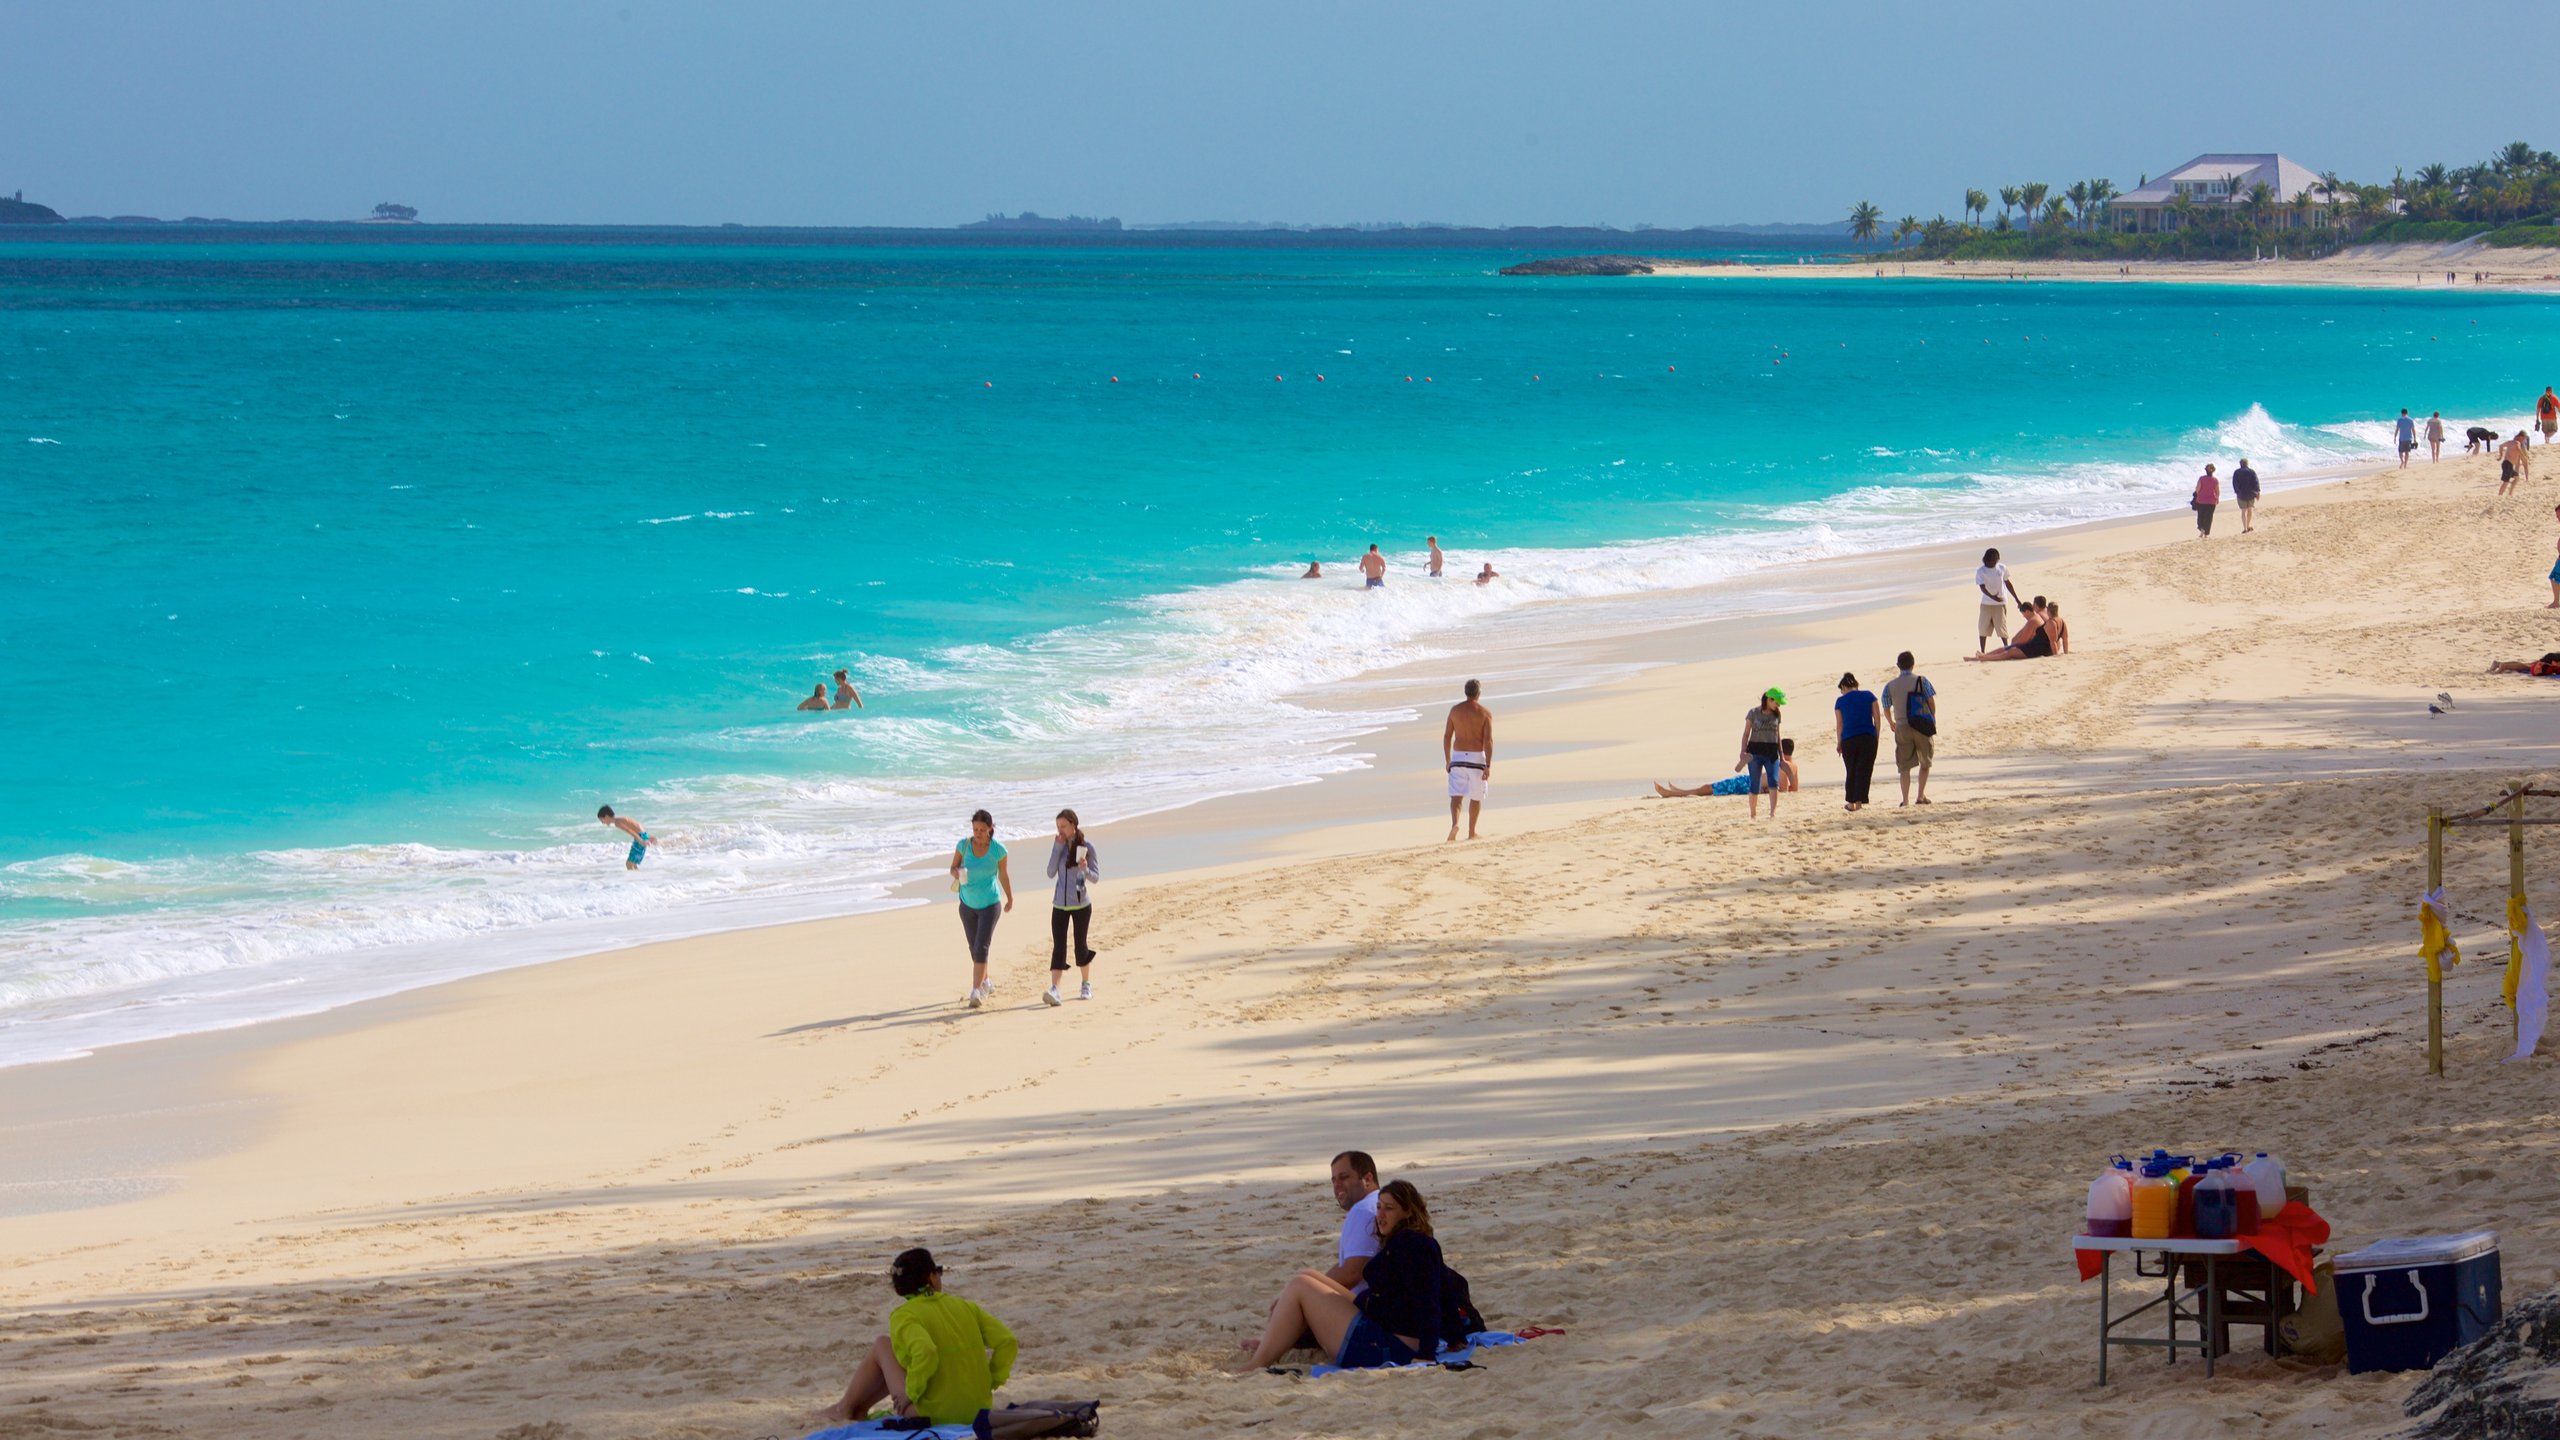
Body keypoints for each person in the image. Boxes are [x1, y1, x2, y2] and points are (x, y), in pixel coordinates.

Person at [1239, 1179, 1444, 1371]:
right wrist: (1456, 1337)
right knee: (1306, 1275)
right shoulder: (1404, 1242)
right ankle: (1275, 1342)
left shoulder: (1412, 1245)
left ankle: (1257, 1363)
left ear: (1408, 1212)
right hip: (1381, 1329)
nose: (1380, 1215)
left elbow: (1428, 1300)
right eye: (1379, 1207)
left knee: (1300, 1285)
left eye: (1389, 1209)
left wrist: (1426, 1354)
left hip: (1388, 1347)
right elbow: (1444, 1287)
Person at [817, 1248, 1017, 1427]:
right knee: (903, 1354)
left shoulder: (905, 1315)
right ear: (931, 1277)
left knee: (882, 1345)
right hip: (977, 1410)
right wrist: (993, 1378)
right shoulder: (966, 1307)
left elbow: (926, 1351)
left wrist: (910, 1392)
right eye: (938, 1271)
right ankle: (857, 1409)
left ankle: (844, 1408)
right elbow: (1007, 1341)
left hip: (932, 1416)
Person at [949, 809, 1013, 1009]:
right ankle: (986, 982)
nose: (978, 833)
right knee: (973, 947)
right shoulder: (964, 845)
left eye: (982, 830)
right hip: (967, 905)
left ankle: (976, 991)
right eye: (975, 829)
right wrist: (958, 873)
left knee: (981, 946)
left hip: (990, 904)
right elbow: (952, 868)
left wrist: (1010, 897)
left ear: (990, 829)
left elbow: (1003, 875)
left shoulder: (998, 850)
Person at [1043, 808, 1098, 1005]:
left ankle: (1086, 984)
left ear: (1073, 825)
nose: (1060, 830)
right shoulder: (1059, 846)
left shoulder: (1087, 846)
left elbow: (1096, 877)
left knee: (1080, 947)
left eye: (1063, 826)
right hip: (1059, 905)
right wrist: (1057, 848)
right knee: (1058, 947)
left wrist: (1085, 869)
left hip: (1081, 904)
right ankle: (1055, 989)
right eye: (1058, 827)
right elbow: (1050, 872)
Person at [1881, 652, 1936, 807]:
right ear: (1913, 664)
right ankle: (1920, 796)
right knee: (1925, 761)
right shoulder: (1921, 681)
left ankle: (1905, 800)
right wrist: (1931, 718)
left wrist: (1891, 721)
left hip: (1902, 726)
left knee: (1904, 766)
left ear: (1898, 666)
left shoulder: (1890, 686)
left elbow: (1885, 707)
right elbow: (1931, 701)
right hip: (1921, 725)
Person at [1654, 738, 1796, 798]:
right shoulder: (1794, 766)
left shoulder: (1784, 765)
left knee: (1708, 789)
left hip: (1747, 783)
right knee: (1708, 788)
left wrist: (1764, 790)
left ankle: (1673, 794)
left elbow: (1782, 790)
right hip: (1749, 782)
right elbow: (1793, 789)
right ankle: (1679, 792)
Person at [1443, 679, 1493, 842]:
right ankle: (1471, 832)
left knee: (1456, 796)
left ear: (1465, 692)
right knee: (1476, 796)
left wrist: (1448, 759)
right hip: (1476, 758)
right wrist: (1488, 766)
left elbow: (1447, 736)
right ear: (1479, 693)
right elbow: (1488, 741)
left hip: (1457, 757)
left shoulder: (1455, 711)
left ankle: (1455, 824)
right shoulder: (1484, 713)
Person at [1734, 688, 1786, 818]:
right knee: (1754, 783)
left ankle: (1772, 813)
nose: (1778, 706)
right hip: (1754, 753)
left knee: (1774, 781)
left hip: (1772, 753)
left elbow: (1778, 735)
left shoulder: (1777, 714)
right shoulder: (1753, 713)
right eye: (1777, 703)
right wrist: (1743, 751)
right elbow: (1746, 733)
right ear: (1769, 700)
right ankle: (1753, 814)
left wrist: (1782, 754)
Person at [1834, 673, 1882, 812]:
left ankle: (1851, 802)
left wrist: (1839, 742)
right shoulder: (1869, 696)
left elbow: (1840, 725)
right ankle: (1860, 802)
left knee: (1851, 770)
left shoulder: (1840, 701)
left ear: (1843, 686)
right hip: (1868, 736)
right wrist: (1876, 736)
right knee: (1864, 770)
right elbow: (1877, 718)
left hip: (1849, 738)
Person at [1966, 599, 2052, 662]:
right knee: (2007, 649)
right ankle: (1984, 656)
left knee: (2009, 651)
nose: (2024, 616)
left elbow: (2023, 640)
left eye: (2023, 614)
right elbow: (2022, 633)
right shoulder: (2034, 618)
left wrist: (2013, 644)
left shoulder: (2033, 621)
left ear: (2027, 611)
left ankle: (1985, 658)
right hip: (2034, 646)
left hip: (2034, 648)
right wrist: (2014, 641)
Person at [1973, 548, 2024, 653]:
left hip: (2000, 603)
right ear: (1986, 559)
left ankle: (2006, 648)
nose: (1992, 562)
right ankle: (1983, 651)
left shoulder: (2002, 568)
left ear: (1997, 559)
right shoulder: (1980, 571)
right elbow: (1982, 588)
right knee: (1983, 628)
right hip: (1986, 603)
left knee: (2002, 627)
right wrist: (1993, 597)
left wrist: (2017, 599)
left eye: (1994, 560)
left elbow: (2008, 584)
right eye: (1990, 560)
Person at [597, 805, 654, 870]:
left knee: (629, 864)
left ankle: (635, 879)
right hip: (643, 835)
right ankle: (638, 878)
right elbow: (638, 826)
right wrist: (646, 837)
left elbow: (630, 831)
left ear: (606, 817)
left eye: (602, 820)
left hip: (640, 838)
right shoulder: (621, 818)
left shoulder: (617, 823)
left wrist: (641, 840)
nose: (602, 823)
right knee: (633, 864)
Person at [2231, 457, 2261, 533]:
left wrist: (2237, 492)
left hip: (2241, 494)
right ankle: (2248, 525)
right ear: (2247, 464)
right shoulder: (2251, 472)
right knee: (2250, 509)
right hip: (2251, 493)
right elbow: (2256, 482)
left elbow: (2235, 483)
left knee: (2243, 511)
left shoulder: (2236, 472)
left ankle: (2245, 528)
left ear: (2240, 464)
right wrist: (2257, 492)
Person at [2191, 465, 2220, 538]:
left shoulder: (2201, 479)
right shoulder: (2215, 480)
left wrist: (2197, 496)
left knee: (2201, 516)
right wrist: (2217, 498)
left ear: (2205, 470)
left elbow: (2197, 489)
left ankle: (2202, 530)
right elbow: (2217, 491)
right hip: (2212, 501)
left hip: (2201, 501)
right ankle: (2206, 534)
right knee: (2209, 517)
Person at [2500, 432, 2530, 497]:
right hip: (2507, 464)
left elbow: (2501, 446)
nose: (2524, 440)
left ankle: (2510, 493)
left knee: (2516, 478)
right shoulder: (2517, 443)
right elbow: (2518, 449)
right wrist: (2524, 456)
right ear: (2520, 437)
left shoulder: (2510, 442)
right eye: (2524, 439)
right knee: (2506, 481)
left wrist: (2500, 456)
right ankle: (2500, 495)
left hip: (2507, 464)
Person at [2487, 653, 2560, 676]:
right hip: (2552, 660)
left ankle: (2497, 664)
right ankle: (2504, 666)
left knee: (2529, 665)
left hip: (2553, 658)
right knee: (2528, 667)